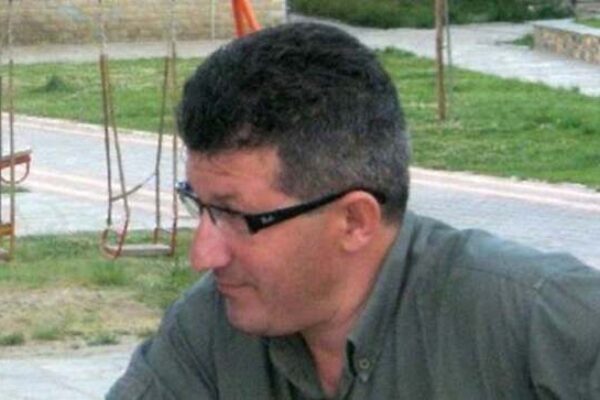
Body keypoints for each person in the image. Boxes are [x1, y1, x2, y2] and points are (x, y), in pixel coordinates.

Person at [107, 22, 600, 399]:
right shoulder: (208, 328)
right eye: (200, 205)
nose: (203, 255)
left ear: (355, 221)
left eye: (236, 217)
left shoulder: (543, 321)